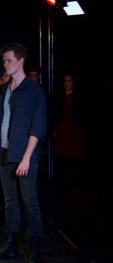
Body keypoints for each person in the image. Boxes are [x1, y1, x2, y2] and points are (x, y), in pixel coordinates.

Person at [0, 43, 46, 263]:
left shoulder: (33, 91)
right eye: (4, 61)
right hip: (4, 153)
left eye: (9, 60)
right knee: (10, 201)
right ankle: (10, 245)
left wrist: (27, 158)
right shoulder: (7, 88)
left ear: (20, 61)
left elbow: (38, 127)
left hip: (24, 157)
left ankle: (36, 250)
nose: (5, 64)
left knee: (29, 202)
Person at [52, 73, 85, 226]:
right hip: (62, 131)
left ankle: (73, 186)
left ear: (74, 82)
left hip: (73, 131)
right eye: (65, 81)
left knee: (74, 157)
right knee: (62, 157)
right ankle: (63, 186)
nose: (67, 83)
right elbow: (53, 115)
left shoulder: (78, 99)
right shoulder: (58, 98)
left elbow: (84, 116)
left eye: (69, 81)